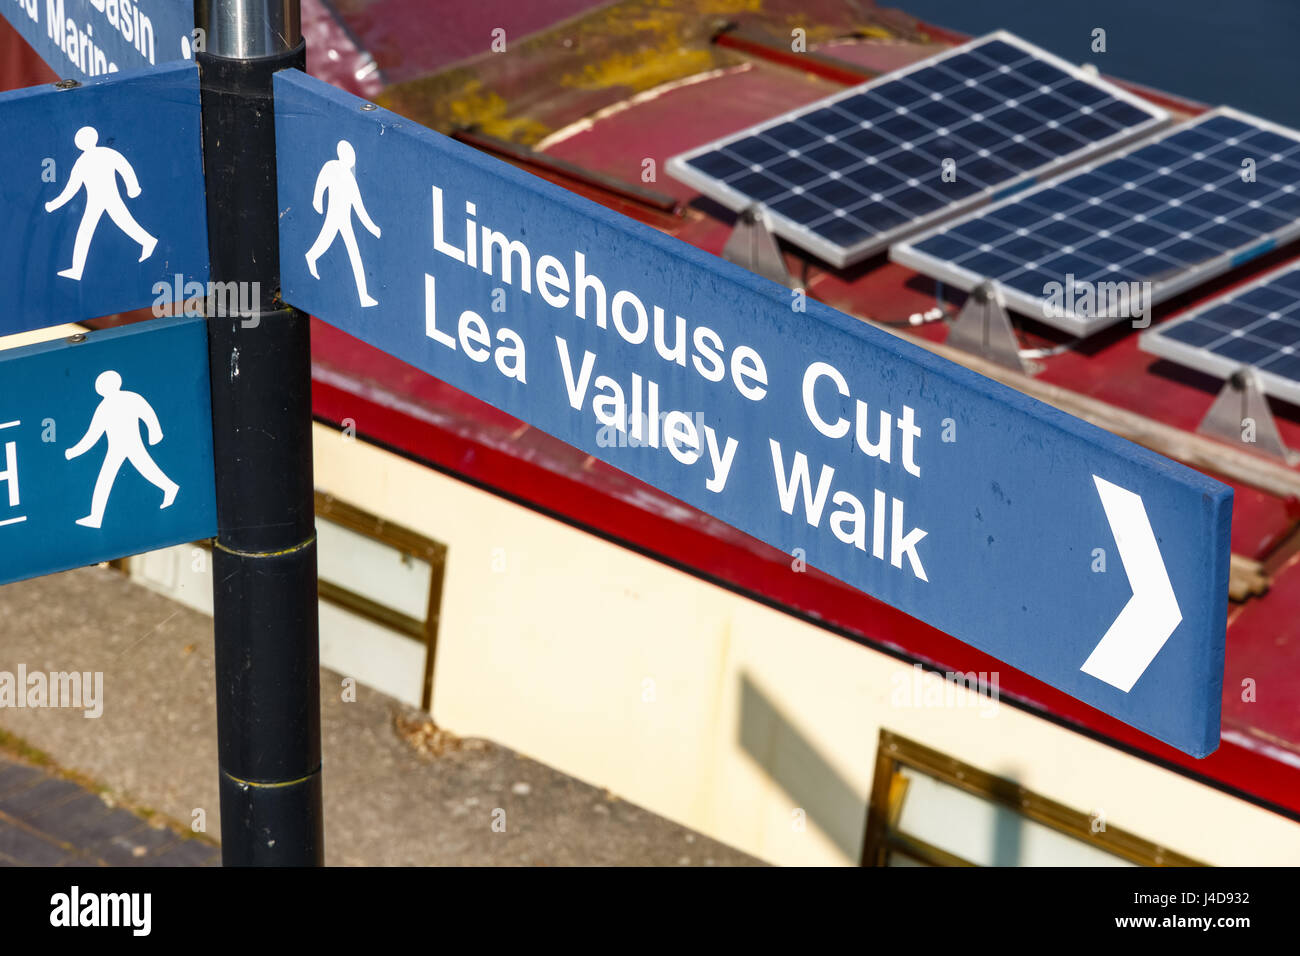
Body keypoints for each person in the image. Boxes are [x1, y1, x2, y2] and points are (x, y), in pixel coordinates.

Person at [65, 370, 178, 530]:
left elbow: (148, 415)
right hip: (118, 447)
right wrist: (74, 452)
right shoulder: (114, 403)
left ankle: (96, 517)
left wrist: (156, 433)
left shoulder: (118, 402)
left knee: (113, 477)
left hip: (129, 445)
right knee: (138, 471)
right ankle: (96, 517)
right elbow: (92, 435)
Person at [45, 126, 157, 281]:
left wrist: (52, 205)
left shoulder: (87, 160)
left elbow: (124, 168)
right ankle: (148, 241)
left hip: (107, 197)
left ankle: (77, 270)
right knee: (102, 227)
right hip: (98, 200)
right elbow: (71, 189)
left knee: (96, 229)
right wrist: (133, 188)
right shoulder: (95, 157)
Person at [304, 139, 382, 307]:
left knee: (352, 253)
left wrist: (372, 228)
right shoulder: (332, 166)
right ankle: (310, 257)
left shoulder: (350, 179)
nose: (352, 158)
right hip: (334, 217)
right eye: (349, 154)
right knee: (327, 243)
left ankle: (363, 296)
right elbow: (321, 184)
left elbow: (359, 208)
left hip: (344, 220)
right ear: (343, 154)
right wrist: (317, 201)